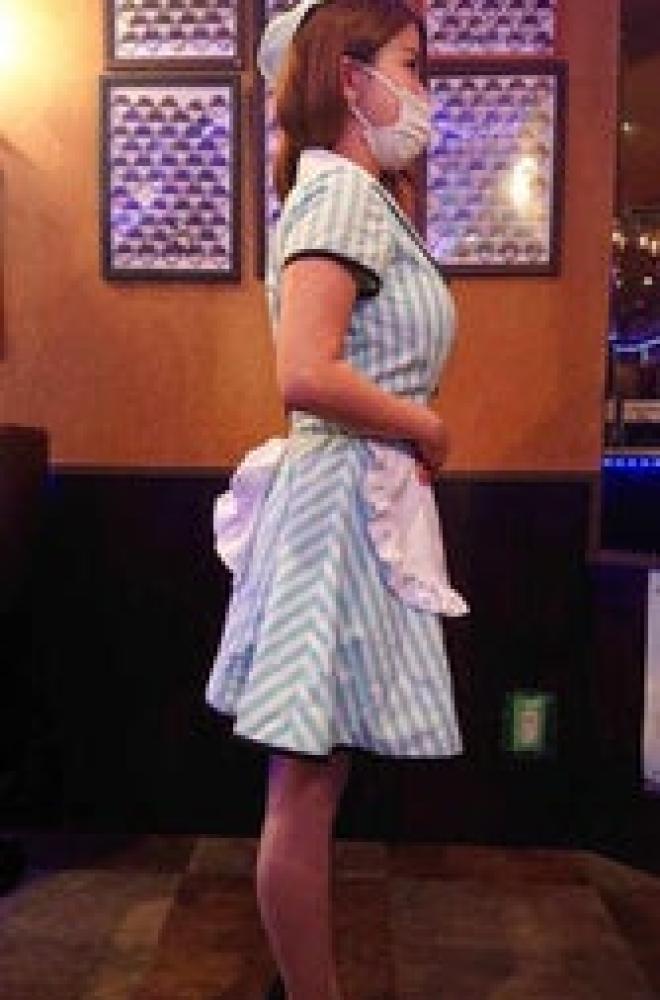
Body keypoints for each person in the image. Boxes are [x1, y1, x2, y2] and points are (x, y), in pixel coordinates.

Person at [205, 0, 470, 997]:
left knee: (313, 776)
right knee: (305, 785)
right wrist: (425, 426)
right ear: (352, 79)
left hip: (351, 501)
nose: (424, 89)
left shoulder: (350, 194)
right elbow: (305, 371)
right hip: (337, 510)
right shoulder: (344, 195)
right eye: (411, 63)